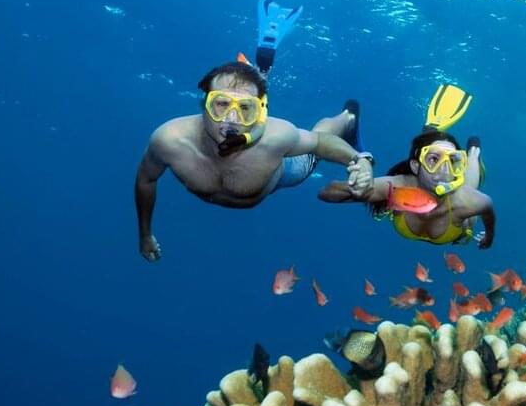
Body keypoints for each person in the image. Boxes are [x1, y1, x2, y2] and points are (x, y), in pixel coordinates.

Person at [134, 55, 373, 261]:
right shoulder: (169, 140)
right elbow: (146, 179)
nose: (232, 119)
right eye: (221, 104)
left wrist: (360, 159)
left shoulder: (275, 138)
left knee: (313, 152)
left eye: (245, 108)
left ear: (258, 114)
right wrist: (145, 234)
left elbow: (319, 142)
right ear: (204, 104)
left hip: (283, 172)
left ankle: (348, 118)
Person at [320, 126, 495, 248]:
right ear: (415, 166)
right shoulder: (397, 186)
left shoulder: (469, 201)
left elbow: (488, 212)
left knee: (471, 181)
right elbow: (325, 193)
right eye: (434, 159)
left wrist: (488, 236)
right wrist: (355, 189)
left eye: (453, 160)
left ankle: (473, 152)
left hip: (459, 226)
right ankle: (432, 136)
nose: (444, 170)